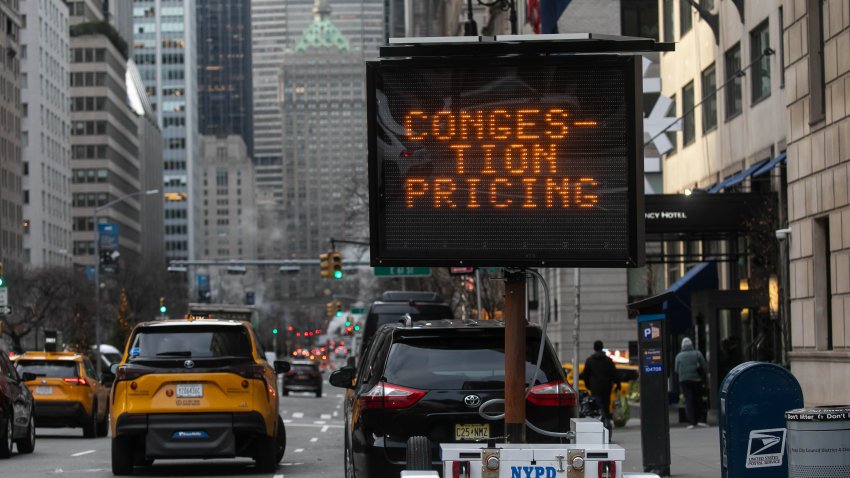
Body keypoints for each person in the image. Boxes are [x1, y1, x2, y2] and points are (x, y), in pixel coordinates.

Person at [580, 340, 619, 434]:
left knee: (597, 408)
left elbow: (585, 375)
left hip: (595, 388)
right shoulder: (608, 361)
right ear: (602, 347)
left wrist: (588, 385)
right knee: (605, 408)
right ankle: (607, 428)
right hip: (606, 388)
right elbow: (615, 374)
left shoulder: (590, 360)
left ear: (594, 348)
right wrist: (617, 384)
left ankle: (599, 429)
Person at [675, 337, 708, 429]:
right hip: (696, 380)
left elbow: (676, 369)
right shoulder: (697, 353)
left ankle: (691, 421)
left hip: (684, 380)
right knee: (698, 399)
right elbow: (704, 366)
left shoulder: (679, 356)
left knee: (689, 400)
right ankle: (699, 419)